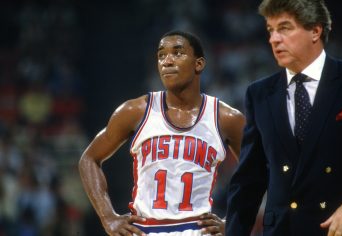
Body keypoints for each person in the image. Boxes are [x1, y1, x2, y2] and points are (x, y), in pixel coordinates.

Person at [79, 30, 245, 236]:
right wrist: (108, 217)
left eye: (178, 53)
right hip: (145, 229)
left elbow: (259, 171)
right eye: (161, 55)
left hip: (197, 229)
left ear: (199, 64)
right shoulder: (135, 111)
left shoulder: (227, 118)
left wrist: (236, 221)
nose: (167, 61)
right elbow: (89, 159)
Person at [225, 0, 342, 235]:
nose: (274, 39)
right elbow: (248, 182)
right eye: (270, 30)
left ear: (315, 31)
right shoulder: (259, 93)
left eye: (284, 28)